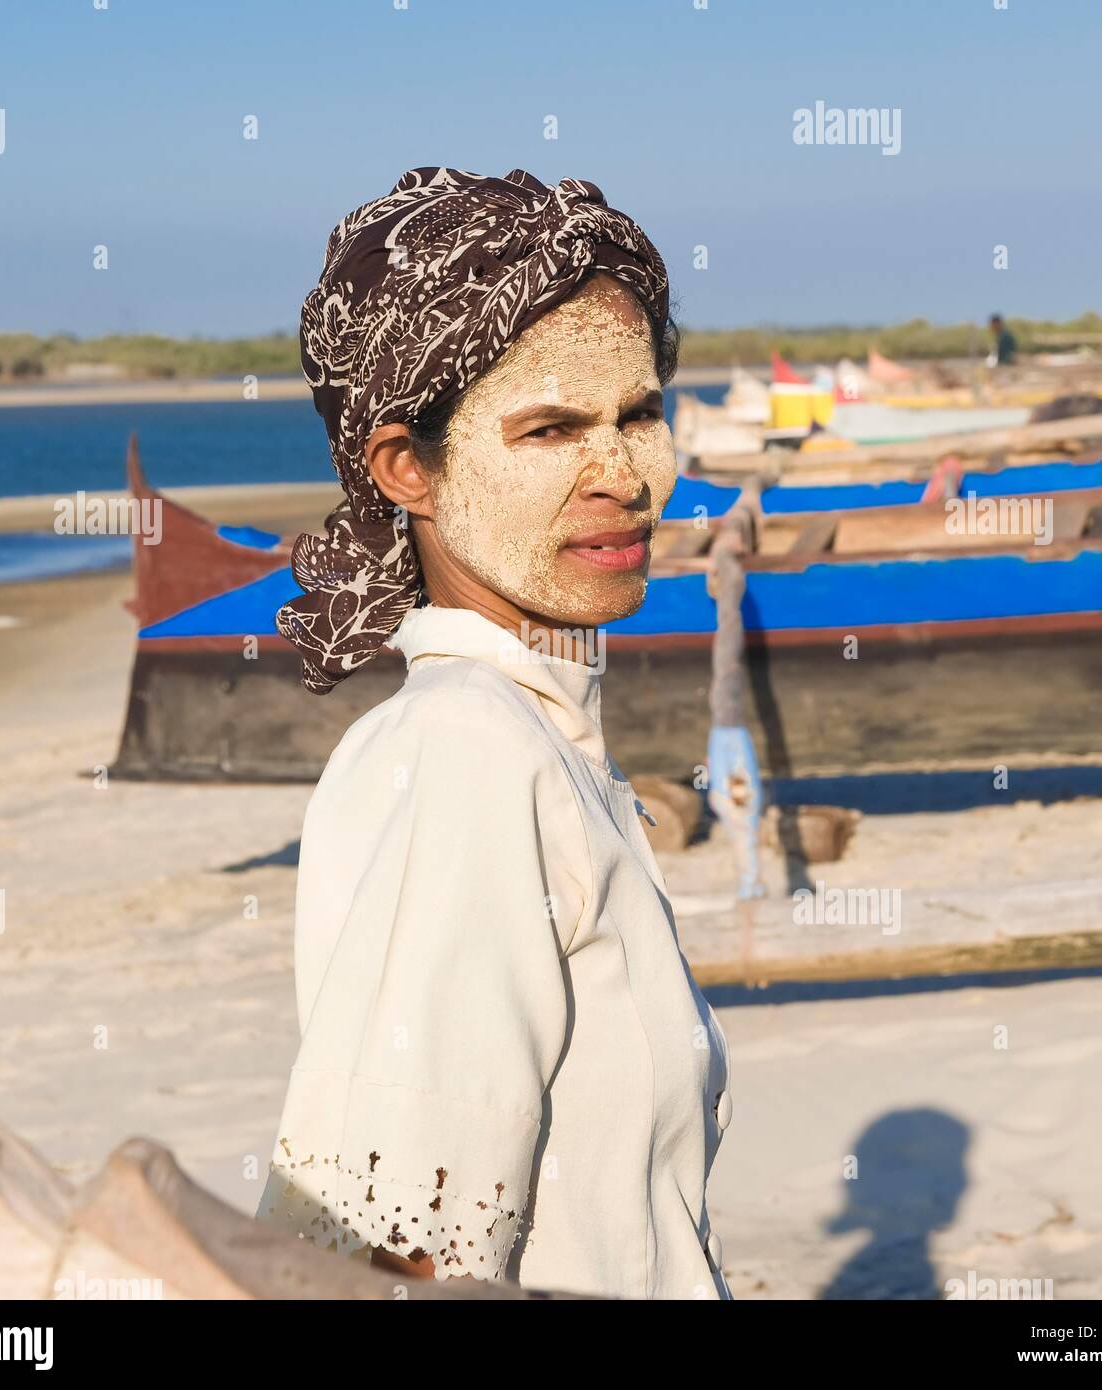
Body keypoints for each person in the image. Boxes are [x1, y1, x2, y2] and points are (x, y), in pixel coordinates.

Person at [254, 167, 733, 1300]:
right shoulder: (473, 754)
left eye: (640, 415)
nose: (622, 475)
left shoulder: (544, 738)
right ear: (406, 467)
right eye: (552, 428)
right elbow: (392, 1242)